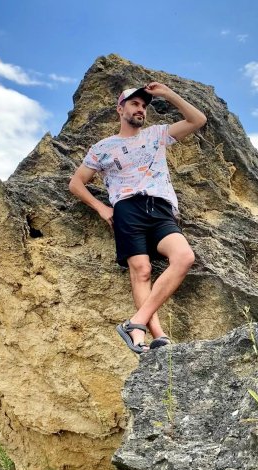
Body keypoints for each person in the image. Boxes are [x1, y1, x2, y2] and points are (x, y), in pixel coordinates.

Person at [69, 82, 207, 354]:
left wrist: (167, 94)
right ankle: (154, 335)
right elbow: (76, 183)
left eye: (144, 105)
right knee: (142, 270)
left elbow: (198, 120)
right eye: (134, 104)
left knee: (184, 257)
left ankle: (135, 322)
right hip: (127, 209)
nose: (140, 109)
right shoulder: (103, 147)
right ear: (120, 109)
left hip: (160, 208)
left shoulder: (157, 134)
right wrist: (101, 208)